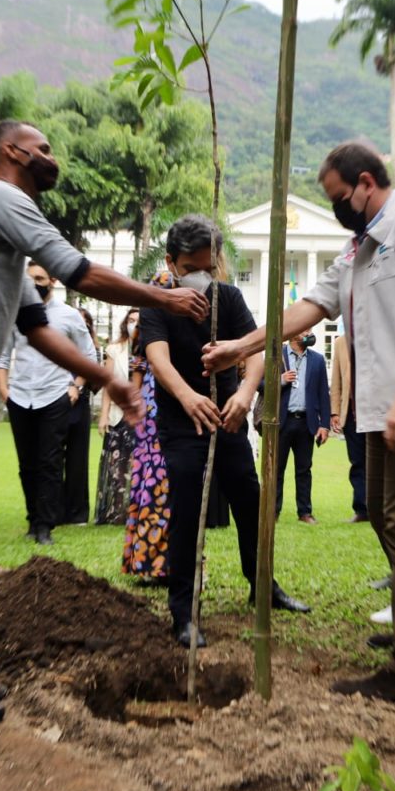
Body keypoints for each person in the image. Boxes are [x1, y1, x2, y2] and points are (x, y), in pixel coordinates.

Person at [0, 119, 208, 730]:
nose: (52, 157)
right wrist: (161, 297)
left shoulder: (4, 238)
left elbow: (38, 329)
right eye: (43, 148)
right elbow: (78, 272)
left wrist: (105, 378)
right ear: (10, 151)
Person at [204, 143, 395, 707]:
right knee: (382, 512)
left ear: (364, 183)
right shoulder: (358, 249)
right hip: (385, 408)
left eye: (335, 198)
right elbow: (307, 307)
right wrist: (242, 344)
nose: (335, 208)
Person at [140, 215, 310, 648]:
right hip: (181, 424)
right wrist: (187, 397)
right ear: (171, 263)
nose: (201, 276)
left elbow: (254, 350)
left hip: (229, 418)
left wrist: (245, 394)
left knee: (251, 505)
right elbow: (157, 358)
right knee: (187, 513)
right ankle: (183, 610)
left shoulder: (228, 298)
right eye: (190, 267)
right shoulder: (157, 301)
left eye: (208, 266)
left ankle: (263, 586)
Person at [0, 262, 96, 546]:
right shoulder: (15, 314)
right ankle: (32, 517)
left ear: (52, 280)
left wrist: (75, 387)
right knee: (27, 464)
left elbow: (88, 355)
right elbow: (2, 357)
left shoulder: (69, 316)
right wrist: (5, 392)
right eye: (29, 280)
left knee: (50, 462)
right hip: (20, 397)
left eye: (40, 279)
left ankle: (45, 525)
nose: (34, 285)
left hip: (55, 396)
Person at [123, 283, 172, 580]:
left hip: (182, 402)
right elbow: (138, 367)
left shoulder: (191, 321)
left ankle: (170, 562)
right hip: (154, 412)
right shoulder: (146, 324)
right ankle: (148, 563)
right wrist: (135, 404)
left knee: (175, 485)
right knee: (152, 485)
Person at [275, 329, 331, 524]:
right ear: (294, 334)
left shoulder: (317, 360)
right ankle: (272, 511)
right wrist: (281, 380)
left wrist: (324, 424)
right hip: (281, 422)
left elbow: (324, 393)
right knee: (275, 470)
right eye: (305, 330)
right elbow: (260, 383)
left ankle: (305, 513)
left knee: (304, 470)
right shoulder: (277, 355)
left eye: (310, 329)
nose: (310, 332)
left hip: (306, 423)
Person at [95, 310, 138, 526]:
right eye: (130, 321)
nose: (134, 325)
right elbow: (108, 385)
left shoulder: (152, 349)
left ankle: (137, 510)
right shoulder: (114, 349)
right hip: (117, 415)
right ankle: (116, 510)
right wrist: (103, 415)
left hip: (142, 417)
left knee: (137, 464)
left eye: (138, 321)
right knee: (117, 466)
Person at [62, 304, 98, 525]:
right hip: (52, 399)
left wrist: (77, 386)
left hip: (79, 401)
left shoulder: (90, 351)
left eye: (85, 321)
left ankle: (77, 512)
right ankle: (53, 509)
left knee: (77, 458)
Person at [330, 332, 368, 522]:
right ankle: (362, 510)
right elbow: (336, 380)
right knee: (357, 461)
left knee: (380, 462)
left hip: (376, 411)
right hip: (352, 414)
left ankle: (382, 507)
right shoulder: (339, 343)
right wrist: (335, 412)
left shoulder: (378, 337)